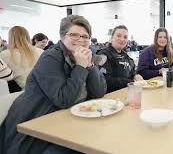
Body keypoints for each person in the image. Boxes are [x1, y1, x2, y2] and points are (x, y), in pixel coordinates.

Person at [0, 15, 107, 154]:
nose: (81, 40)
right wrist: (81, 66)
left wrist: (90, 64)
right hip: (36, 128)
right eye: (74, 35)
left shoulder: (81, 56)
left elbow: (98, 92)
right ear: (62, 37)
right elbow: (64, 100)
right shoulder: (51, 57)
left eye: (85, 36)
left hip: (67, 121)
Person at [98, 25, 143, 93]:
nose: (122, 39)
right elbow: (105, 80)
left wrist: (136, 76)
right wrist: (131, 82)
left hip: (128, 93)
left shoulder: (127, 57)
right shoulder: (104, 55)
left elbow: (133, 73)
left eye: (125, 37)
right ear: (111, 38)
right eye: (118, 36)